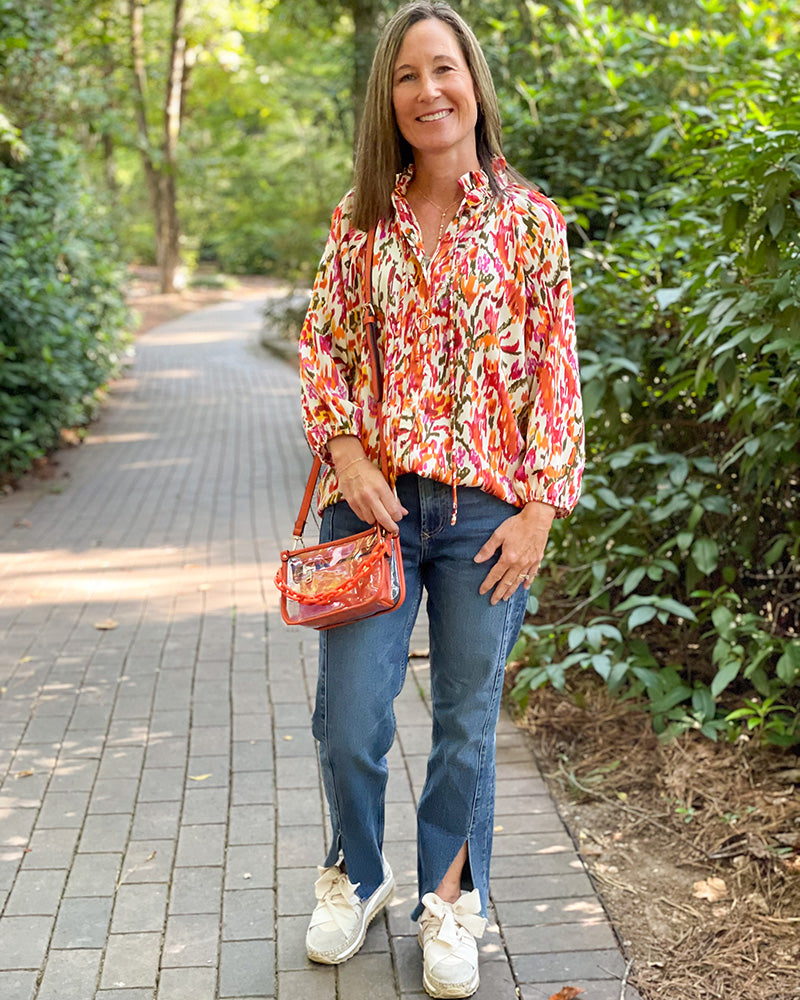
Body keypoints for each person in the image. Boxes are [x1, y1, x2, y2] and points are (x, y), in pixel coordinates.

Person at [298, 2, 584, 996]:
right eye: (407, 75)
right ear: (389, 98)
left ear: (473, 84)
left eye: (443, 69)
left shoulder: (530, 222)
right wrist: (346, 454)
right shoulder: (358, 219)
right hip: (370, 511)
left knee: (466, 720)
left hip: (485, 518)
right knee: (349, 717)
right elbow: (323, 348)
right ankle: (357, 874)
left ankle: (449, 901)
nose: (428, 91)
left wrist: (541, 509)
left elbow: (555, 373)